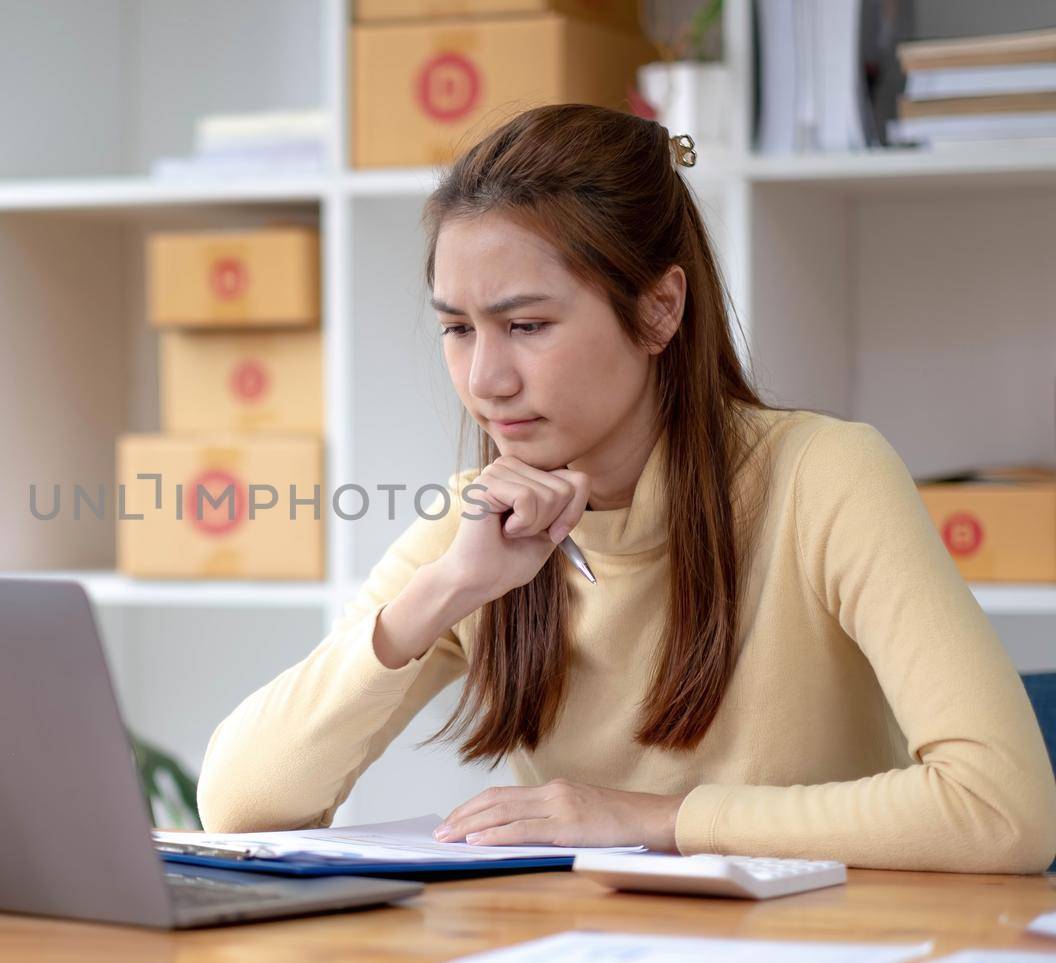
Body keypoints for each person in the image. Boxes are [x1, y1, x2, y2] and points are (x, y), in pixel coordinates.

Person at [195, 103, 1056, 873]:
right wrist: (450, 588)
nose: (485, 378)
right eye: (457, 329)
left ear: (658, 311)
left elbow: (1002, 810)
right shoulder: (482, 526)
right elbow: (239, 805)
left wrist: (654, 821)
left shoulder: (823, 477)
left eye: (526, 325)